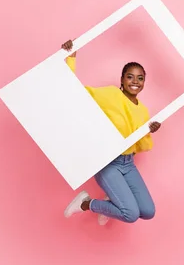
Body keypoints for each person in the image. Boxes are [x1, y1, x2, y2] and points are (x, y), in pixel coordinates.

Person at [60, 39, 161, 226]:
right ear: (122, 79)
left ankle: (110, 201)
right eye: (130, 77)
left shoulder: (143, 110)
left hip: (128, 163)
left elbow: (141, 146)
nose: (135, 82)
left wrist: (149, 132)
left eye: (140, 78)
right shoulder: (111, 95)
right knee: (130, 214)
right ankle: (85, 203)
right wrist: (70, 57)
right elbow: (74, 93)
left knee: (148, 211)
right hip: (108, 163)